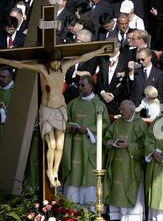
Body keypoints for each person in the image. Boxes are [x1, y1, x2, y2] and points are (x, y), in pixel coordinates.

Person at [0, 44, 111, 187]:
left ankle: (55, 172)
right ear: (49, 61)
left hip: (60, 109)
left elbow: (82, 57)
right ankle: (49, 172)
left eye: (58, 61)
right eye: (54, 61)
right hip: (47, 110)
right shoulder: (42, 70)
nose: (56, 64)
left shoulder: (64, 68)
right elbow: (20, 64)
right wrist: (2, 59)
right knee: (51, 144)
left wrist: (99, 50)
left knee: (59, 144)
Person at [62, 75, 110, 209]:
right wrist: (70, 127)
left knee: (89, 176)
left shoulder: (99, 105)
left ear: (91, 86)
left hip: (90, 148)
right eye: (79, 85)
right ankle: (71, 210)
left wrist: (88, 130)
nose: (80, 87)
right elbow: (64, 121)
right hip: (74, 147)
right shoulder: (72, 104)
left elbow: (105, 125)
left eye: (83, 85)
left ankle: (91, 211)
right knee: (74, 175)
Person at [104, 99, 148, 221]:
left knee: (130, 186)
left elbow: (145, 144)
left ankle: (133, 217)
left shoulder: (140, 124)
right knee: (116, 187)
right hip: (117, 161)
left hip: (131, 163)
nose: (120, 112)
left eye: (123, 110)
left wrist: (129, 145)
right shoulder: (117, 123)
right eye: (120, 109)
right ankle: (116, 215)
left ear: (132, 110)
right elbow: (107, 137)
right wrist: (111, 142)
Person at [0, 66, 14, 136]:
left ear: (10, 77)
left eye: (3, 77)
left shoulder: (16, 92)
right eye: (0, 76)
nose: (0, 79)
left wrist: (4, 110)